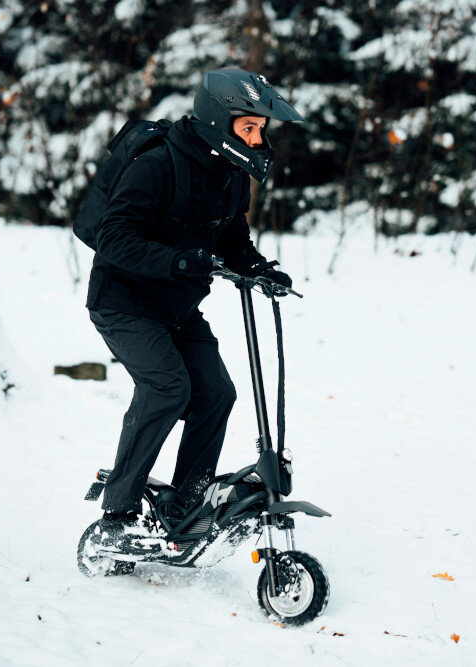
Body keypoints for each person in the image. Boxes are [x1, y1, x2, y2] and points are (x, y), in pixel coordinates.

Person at [86, 69, 305, 543]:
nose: (257, 138)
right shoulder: (158, 165)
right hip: (124, 303)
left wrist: (256, 266)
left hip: (178, 308)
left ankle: (188, 501)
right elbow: (113, 238)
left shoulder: (229, 174)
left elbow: (230, 235)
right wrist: (178, 260)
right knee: (168, 387)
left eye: (261, 130)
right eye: (249, 127)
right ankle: (117, 515)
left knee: (216, 393)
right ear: (218, 121)